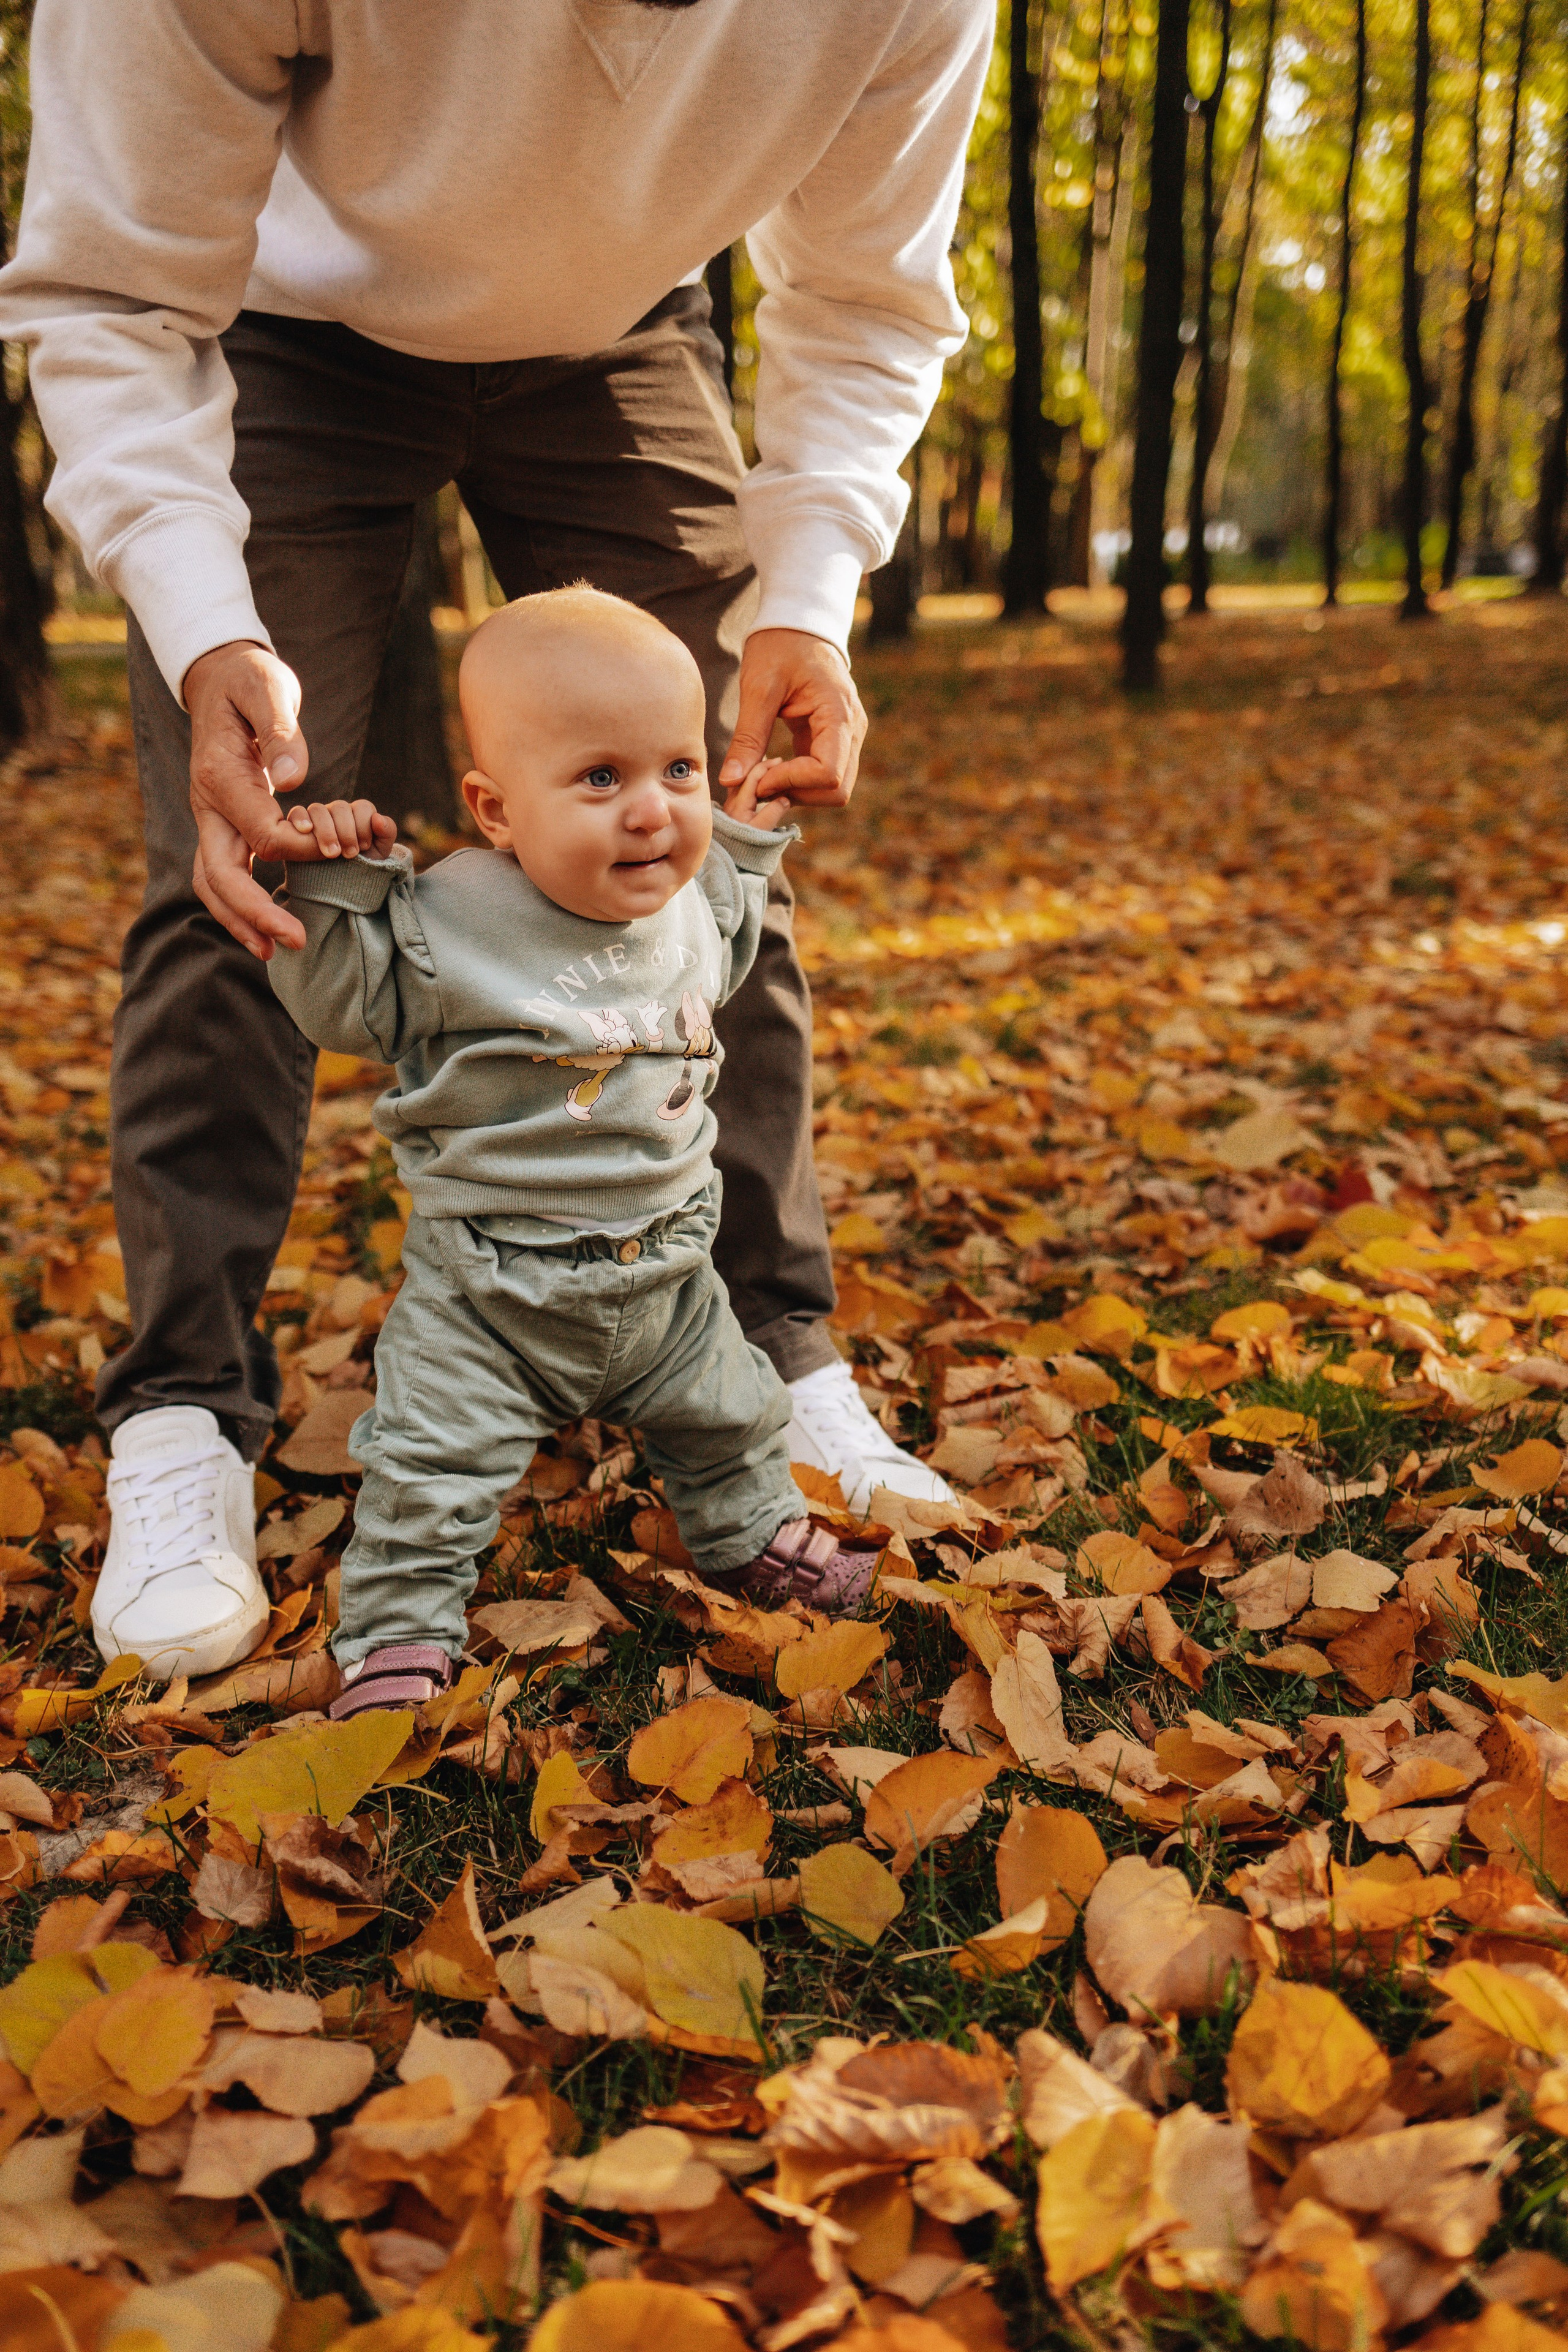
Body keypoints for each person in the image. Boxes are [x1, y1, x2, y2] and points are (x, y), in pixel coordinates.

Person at [0, 0, 990, 1679]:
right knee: (243, 870)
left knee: (704, 831)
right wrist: (204, 631)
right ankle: (182, 1412)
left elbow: (871, 292)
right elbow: (111, 282)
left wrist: (808, 602)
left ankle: (774, 1353)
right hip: (273, 319)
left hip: (625, 328)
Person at [172, 586, 881, 1709]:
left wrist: (745, 826)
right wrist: (326, 876)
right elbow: (338, 1001)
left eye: (678, 770)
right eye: (602, 779)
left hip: (667, 1280)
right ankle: (400, 1631)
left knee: (735, 1415)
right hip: (491, 1294)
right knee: (429, 1467)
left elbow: (734, 930)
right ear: (496, 812)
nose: (652, 812)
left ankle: (746, 1530)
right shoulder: (446, 923)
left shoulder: (691, 898)